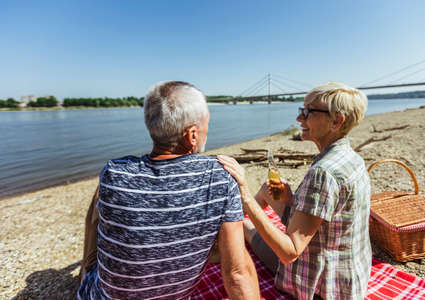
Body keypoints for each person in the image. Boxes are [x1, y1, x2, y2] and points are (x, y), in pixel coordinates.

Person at [78, 81, 260, 300]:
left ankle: (83, 270)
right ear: (192, 135)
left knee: (99, 197)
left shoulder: (113, 173)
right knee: (233, 245)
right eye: (206, 126)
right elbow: (237, 275)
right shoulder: (220, 178)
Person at [218, 82, 372, 300]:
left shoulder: (323, 172)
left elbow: (289, 252)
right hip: (350, 277)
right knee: (266, 190)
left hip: (322, 286)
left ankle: (237, 228)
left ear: (336, 121)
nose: (300, 118)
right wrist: (292, 199)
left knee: (244, 225)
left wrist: (245, 198)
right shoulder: (350, 158)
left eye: (308, 112)